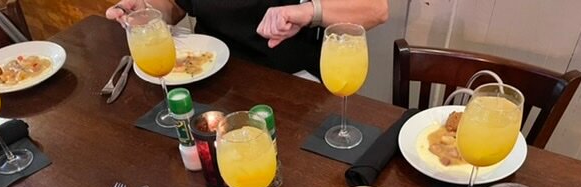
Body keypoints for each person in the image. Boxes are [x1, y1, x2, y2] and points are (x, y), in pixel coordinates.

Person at [106, 0, 388, 77]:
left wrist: (308, 11)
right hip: (208, 76)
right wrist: (147, 10)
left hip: (292, 84)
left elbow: (376, 8)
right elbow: (175, 5)